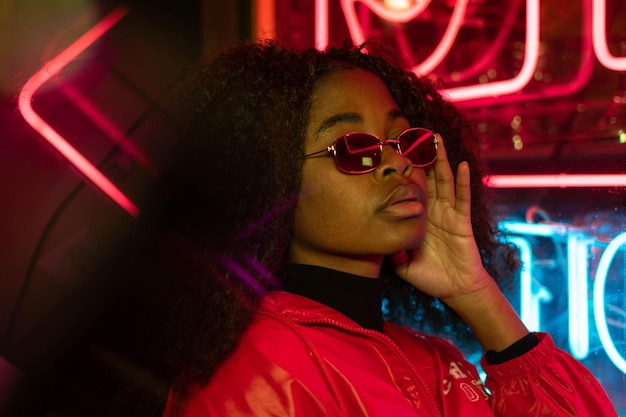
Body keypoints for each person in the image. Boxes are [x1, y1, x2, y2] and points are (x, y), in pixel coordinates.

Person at [149, 40, 617, 416]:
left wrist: (477, 294)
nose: (396, 161)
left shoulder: (438, 361)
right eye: (353, 147)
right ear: (270, 181)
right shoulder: (258, 372)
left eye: (403, 139)